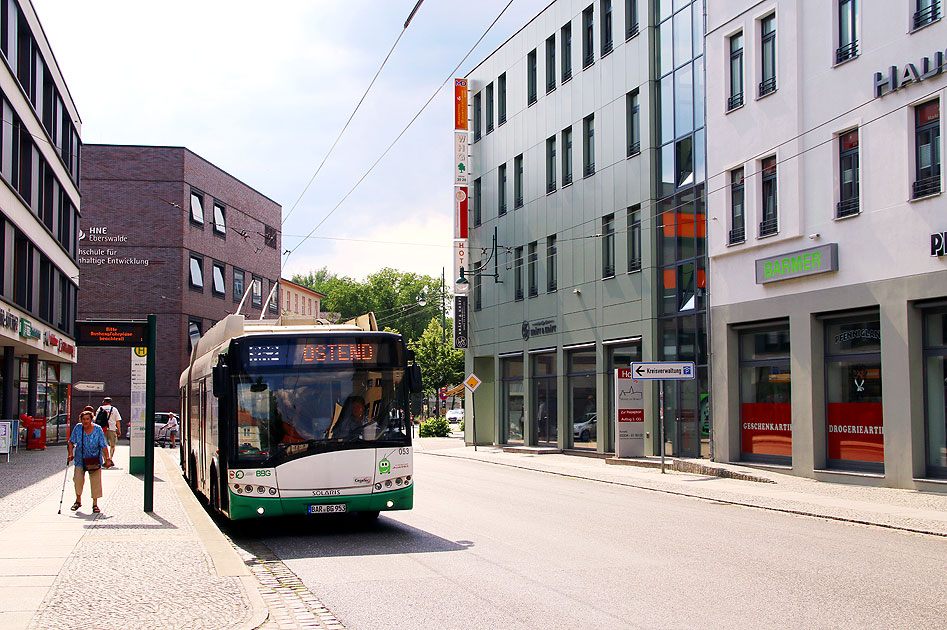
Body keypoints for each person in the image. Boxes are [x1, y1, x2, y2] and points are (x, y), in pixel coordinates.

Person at [67, 406, 113, 514]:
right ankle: (78, 501)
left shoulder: (98, 429)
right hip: (80, 459)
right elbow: (71, 442)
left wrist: (107, 459)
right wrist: (70, 454)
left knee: (95, 482)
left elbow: (103, 445)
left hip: (94, 460)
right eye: (83, 419)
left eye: (87, 419)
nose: (85, 421)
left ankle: (95, 504)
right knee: (77, 480)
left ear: (91, 419)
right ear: (81, 420)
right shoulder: (78, 428)